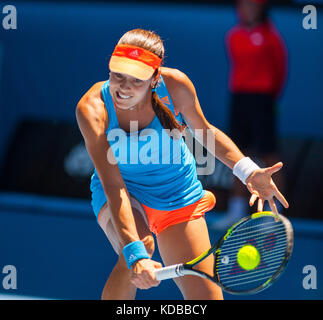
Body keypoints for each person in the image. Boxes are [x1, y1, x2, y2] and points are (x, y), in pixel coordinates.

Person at [76, 28, 288, 300]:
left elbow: (205, 132)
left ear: (155, 78)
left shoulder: (176, 86)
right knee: (141, 245)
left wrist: (247, 171)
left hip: (178, 194)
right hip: (124, 191)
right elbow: (113, 184)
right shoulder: (92, 108)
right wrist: (134, 255)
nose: (124, 87)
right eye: (118, 75)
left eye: (136, 80)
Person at [214, 0, 288, 229]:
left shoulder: (271, 37)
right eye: (244, 5)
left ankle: (275, 216)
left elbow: (279, 70)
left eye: (253, 5)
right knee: (239, 156)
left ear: (262, 9)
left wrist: (268, 98)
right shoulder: (233, 36)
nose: (248, 9)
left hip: (263, 100)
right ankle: (235, 212)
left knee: (269, 157)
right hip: (239, 99)